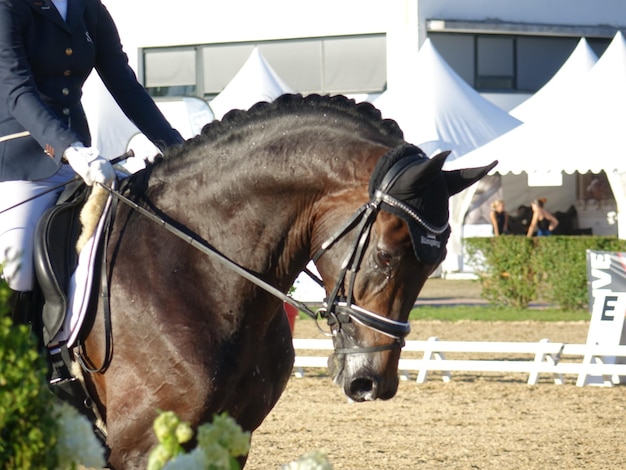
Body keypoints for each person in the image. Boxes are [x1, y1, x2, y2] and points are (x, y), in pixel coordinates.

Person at [0, 0, 184, 321]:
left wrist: (178, 148)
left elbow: (125, 85)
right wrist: (68, 147)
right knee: (17, 267)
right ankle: (19, 362)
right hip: (24, 165)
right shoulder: (10, 6)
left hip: (82, 162)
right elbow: (16, 90)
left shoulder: (88, 8)